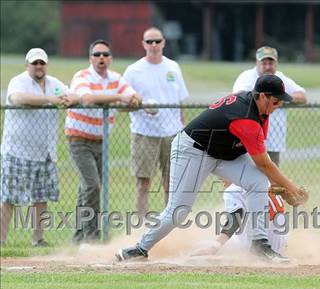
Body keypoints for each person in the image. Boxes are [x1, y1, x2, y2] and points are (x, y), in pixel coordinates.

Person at [116, 74, 308, 262]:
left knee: (257, 181)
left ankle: (260, 243)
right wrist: (290, 187)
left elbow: (259, 160)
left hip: (223, 153)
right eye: (276, 101)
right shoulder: (246, 117)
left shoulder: (260, 109)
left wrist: (278, 183)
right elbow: (264, 163)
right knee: (178, 211)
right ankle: (140, 249)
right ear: (263, 96)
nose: (279, 105)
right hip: (192, 150)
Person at [220, 46, 309, 256]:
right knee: (241, 187)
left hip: (273, 144)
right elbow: (240, 97)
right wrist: (291, 188)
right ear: (257, 63)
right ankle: (240, 231)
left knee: (268, 187)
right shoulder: (247, 78)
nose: (267, 65)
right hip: (246, 143)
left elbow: (303, 96)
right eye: (264, 62)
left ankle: (266, 233)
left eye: (271, 62)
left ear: (276, 63)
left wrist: (281, 97)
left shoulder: (280, 79)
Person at [0, 48, 78, 246]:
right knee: (9, 198)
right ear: (27, 65)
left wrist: (71, 99)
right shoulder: (18, 81)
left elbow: (72, 95)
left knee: (41, 197)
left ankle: (38, 239)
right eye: (34, 63)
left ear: (46, 65)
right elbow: (17, 99)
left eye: (41, 63)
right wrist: (49, 100)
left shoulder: (54, 84)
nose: (38, 67)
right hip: (17, 151)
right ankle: (1, 239)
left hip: (45, 153)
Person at [65, 39, 140, 244]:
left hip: (102, 141)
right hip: (78, 138)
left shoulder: (116, 78)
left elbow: (134, 98)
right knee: (92, 186)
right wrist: (118, 97)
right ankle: (91, 237)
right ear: (91, 58)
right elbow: (87, 98)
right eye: (97, 54)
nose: (101, 58)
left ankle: (78, 237)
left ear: (111, 58)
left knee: (87, 188)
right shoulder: (82, 76)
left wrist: (126, 98)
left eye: (105, 55)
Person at [123, 27, 189, 218]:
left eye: (157, 41)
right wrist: (139, 105)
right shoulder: (134, 70)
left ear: (163, 43)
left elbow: (179, 101)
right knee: (143, 181)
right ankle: (142, 223)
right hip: (145, 133)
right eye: (149, 42)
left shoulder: (173, 67)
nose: (154, 45)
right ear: (143, 44)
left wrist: (181, 127)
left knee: (170, 181)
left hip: (172, 133)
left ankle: (167, 222)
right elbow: (123, 102)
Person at [191, 186, 289, 259]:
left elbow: (235, 219)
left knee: (202, 244)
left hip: (255, 249)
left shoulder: (233, 189)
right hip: (280, 244)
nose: (220, 177)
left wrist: (215, 246)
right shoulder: (265, 181)